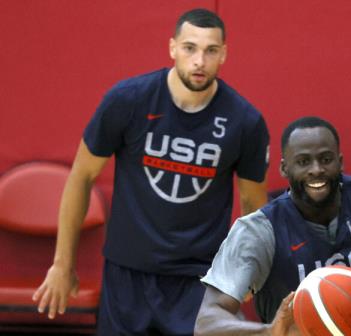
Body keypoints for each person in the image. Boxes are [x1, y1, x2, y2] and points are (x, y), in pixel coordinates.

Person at [32, 8, 270, 335]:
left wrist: (247, 273)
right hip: (128, 275)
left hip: (199, 279)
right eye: (190, 48)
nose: (199, 60)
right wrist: (62, 264)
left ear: (224, 54)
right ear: (172, 48)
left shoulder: (246, 122)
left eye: (211, 50)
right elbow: (81, 177)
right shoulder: (127, 101)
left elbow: (253, 207)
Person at [195, 116, 351, 335]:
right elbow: (206, 323)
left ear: (340, 162)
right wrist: (269, 331)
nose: (316, 170)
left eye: (326, 159)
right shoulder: (257, 230)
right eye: (304, 161)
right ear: (285, 168)